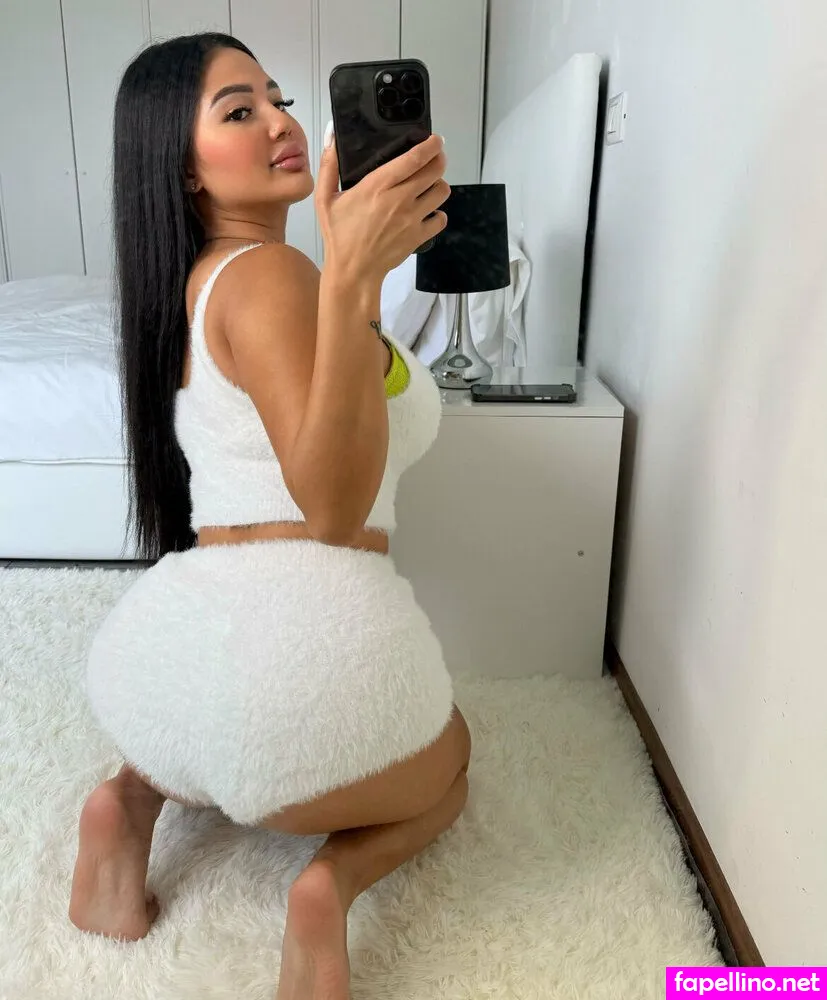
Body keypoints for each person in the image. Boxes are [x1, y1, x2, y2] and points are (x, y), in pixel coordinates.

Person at [67, 32, 471, 1000]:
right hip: (303, 683)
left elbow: (331, 398)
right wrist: (346, 274)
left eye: (278, 98)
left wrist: (350, 274)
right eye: (239, 111)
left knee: (209, 740)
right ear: (182, 166)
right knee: (452, 756)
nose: (281, 123)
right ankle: (330, 886)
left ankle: (133, 797)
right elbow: (331, 508)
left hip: (163, 676)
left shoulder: (200, 283)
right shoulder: (274, 277)